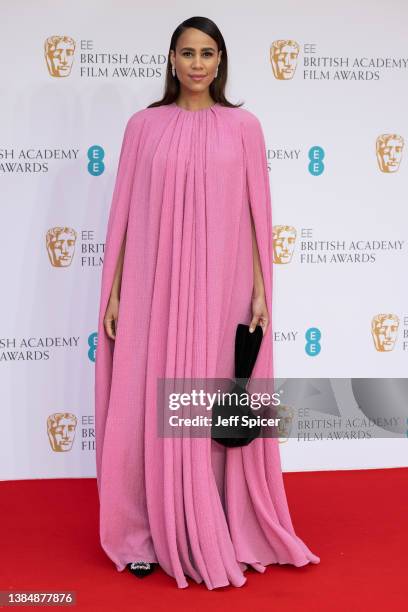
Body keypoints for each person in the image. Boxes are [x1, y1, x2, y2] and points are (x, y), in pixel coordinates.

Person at [94, 15, 320, 590]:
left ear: (221, 62)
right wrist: (116, 289)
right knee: (143, 400)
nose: (197, 63)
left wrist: (262, 292)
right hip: (153, 286)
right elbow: (122, 214)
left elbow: (255, 215)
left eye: (208, 53)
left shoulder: (244, 127)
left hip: (223, 285)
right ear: (171, 59)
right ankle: (138, 533)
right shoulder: (142, 127)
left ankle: (219, 520)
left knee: (210, 394)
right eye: (188, 53)